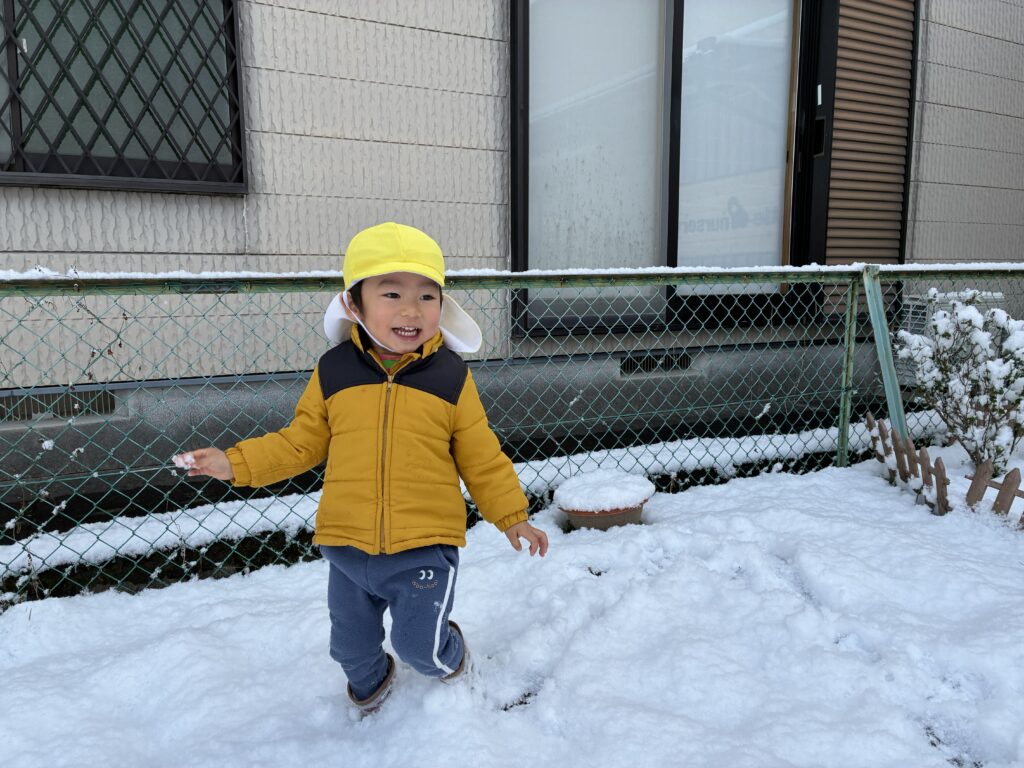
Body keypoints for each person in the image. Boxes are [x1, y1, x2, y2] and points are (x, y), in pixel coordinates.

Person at [174, 222, 548, 714]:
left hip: (423, 547)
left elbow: (481, 455)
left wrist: (511, 514)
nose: (411, 310)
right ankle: (375, 686)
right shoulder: (334, 371)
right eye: (391, 293)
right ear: (354, 304)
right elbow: (299, 443)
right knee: (350, 652)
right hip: (348, 547)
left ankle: (449, 653)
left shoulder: (451, 377)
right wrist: (233, 462)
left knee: (423, 650)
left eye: (426, 296)